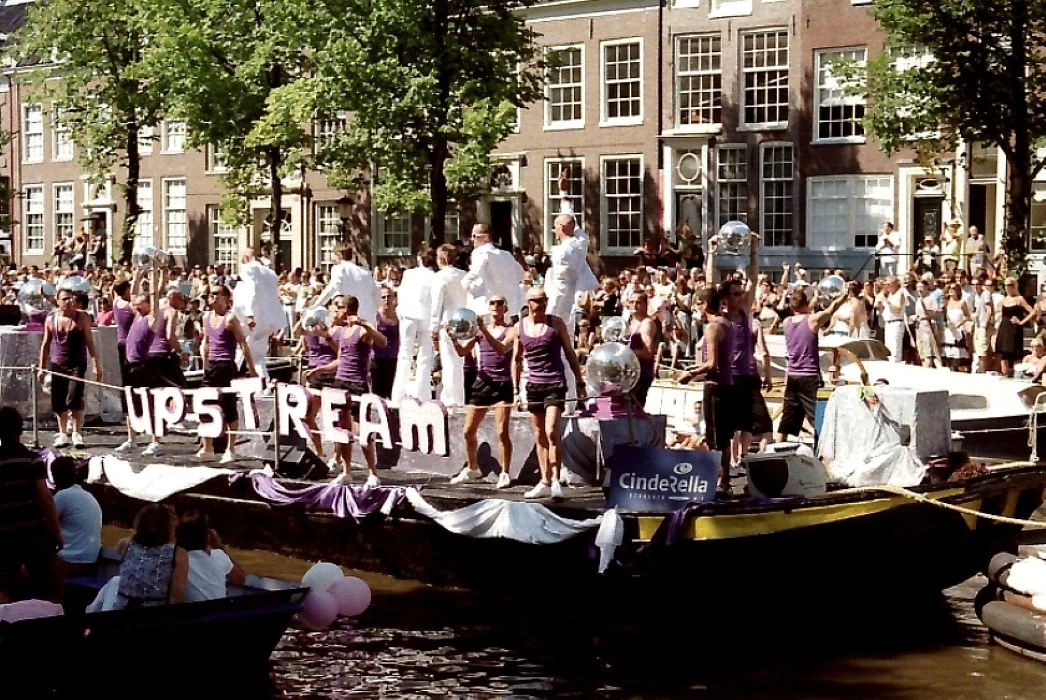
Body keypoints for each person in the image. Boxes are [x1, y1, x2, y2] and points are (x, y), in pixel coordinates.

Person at [305, 294, 387, 487]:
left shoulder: (361, 331)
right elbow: (340, 359)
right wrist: (319, 370)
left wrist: (365, 323)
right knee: (342, 430)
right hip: (341, 382)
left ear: (347, 309)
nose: (335, 310)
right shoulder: (340, 332)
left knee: (362, 430)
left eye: (338, 307)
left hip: (357, 384)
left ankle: (372, 472)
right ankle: (346, 470)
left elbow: (382, 342)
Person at [513, 287, 585, 500]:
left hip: (554, 382)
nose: (541, 303)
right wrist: (516, 391)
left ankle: (555, 479)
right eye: (536, 300)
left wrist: (580, 382)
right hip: (533, 385)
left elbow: (570, 353)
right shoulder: (520, 327)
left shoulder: (556, 323)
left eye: (544, 299)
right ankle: (544, 480)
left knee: (552, 430)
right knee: (539, 435)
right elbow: (516, 359)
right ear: (529, 303)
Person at [448, 294, 518, 489]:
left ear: (506, 308)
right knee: (468, 430)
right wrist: (453, 338)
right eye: (492, 303)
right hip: (482, 382)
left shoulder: (511, 331)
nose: (496, 306)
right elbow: (463, 352)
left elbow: (502, 350)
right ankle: (472, 467)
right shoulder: (479, 332)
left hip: (502, 385)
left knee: (502, 431)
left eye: (500, 303)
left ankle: (505, 472)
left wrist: (484, 329)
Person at [0, 407, 63, 603]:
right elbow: (45, 499)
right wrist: (56, 533)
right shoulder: (32, 460)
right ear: (20, 431)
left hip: (3, 537)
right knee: (49, 588)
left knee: (3, 587)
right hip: (33, 535)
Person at [195, 285, 258, 463]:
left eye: (216, 294)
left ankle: (230, 449)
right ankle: (207, 447)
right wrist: (205, 361)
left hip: (226, 366)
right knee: (204, 404)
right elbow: (206, 342)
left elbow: (243, 344)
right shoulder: (206, 317)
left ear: (225, 298)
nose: (212, 297)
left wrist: (251, 369)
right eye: (211, 294)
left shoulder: (230, 319)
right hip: (212, 366)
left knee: (229, 407)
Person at [775, 288, 848, 444]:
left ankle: (777, 449)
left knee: (786, 421)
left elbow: (801, 310)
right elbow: (832, 308)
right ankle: (822, 453)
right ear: (807, 303)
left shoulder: (786, 322)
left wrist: (812, 300)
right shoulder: (813, 320)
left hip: (793, 375)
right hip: (809, 376)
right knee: (818, 418)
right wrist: (844, 296)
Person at [37, 287, 103, 448]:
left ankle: (76, 432)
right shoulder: (51, 319)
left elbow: (90, 342)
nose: (69, 301)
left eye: (70, 298)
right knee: (58, 400)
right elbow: (45, 344)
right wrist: (41, 367)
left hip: (77, 364)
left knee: (74, 397)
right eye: (65, 299)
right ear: (58, 301)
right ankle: (63, 433)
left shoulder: (82, 317)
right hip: (57, 364)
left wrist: (96, 365)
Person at [113, 504, 189, 609]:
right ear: (170, 526)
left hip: (120, 610)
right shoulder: (178, 554)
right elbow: (177, 597)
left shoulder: (124, 545)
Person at [391, 249, 437, 403]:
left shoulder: (409, 274)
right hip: (426, 316)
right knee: (424, 356)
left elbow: (401, 294)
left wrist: (400, 312)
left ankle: (398, 394)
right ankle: (423, 394)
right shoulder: (434, 277)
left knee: (404, 354)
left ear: (419, 259)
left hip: (409, 315)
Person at [232, 248, 284, 379]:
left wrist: (249, 314)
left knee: (239, 350)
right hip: (268, 319)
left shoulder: (249, 268)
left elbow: (251, 290)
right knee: (258, 357)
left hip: (250, 318)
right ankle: (263, 384)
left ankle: (231, 379)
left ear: (245, 259)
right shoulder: (271, 273)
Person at [176, 511, 246, 602]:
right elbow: (240, 579)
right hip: (219, 613)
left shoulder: (175, 560)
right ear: (208, 535)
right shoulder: (218, 556)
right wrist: (220, 546)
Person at [430, 244, 468, 407]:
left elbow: (436, 304)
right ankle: (459, 396)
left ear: (441, 259)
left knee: (449, 361)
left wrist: (433, 326)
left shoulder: (440, 277)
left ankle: (451, 398)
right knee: (460, 362)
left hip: (448, 320)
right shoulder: (464, 275)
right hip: (464, 319)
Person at [461, 223, 525, 321]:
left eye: (474, 236)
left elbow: (475, 273)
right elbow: (521, 275)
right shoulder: (507, 255)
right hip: (508, 309)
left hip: (486, 308)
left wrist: (464, 284)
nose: (472, 239)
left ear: (486, 237)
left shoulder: (480, 252)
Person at [51, 455, 102, 576]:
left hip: (72, 559)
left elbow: (46, 524)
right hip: (91, 558)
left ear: (55, 476)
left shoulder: (62, 496)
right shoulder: (87, 495)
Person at [311, 244, 381, 323]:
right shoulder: (366, 272)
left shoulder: (339, 268)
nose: (333, 261)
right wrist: (373, 310)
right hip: (368, 318)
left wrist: (317, 305)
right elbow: (377, 294)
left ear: (340, 256)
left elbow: (333, 287)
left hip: (349, 318)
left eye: (334, 258)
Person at [995, 277, 1036, 377]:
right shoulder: (1003, 300)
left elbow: (1032, 312)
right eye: (1006, 285)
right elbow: (1001, 316)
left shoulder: (1019, 299)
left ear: (1014, 286)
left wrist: (1021, 322)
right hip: (1004, 328)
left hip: (1015, 329)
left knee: (1015, 353)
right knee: (1004, 354)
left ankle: (1016, 375)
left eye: (1010, 285)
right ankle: (1005, 374)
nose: (1008, 287)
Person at [626, 290, 658, 408]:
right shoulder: (631, 323)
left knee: (634, 411)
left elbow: (648, 352)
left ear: (645, 304)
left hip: (641, 374)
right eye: (631, 302)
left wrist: (625, 352)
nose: (634, 305)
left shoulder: (646, 324)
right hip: (631, 375)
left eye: (638, 302)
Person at [372, 288, 399, 399]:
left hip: (393, 359)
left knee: (391, 392)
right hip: (377, 359)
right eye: (383, 297)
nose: (386, 299)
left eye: (389, 296)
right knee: (377, 393)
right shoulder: (375, 317)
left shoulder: (399, 317)